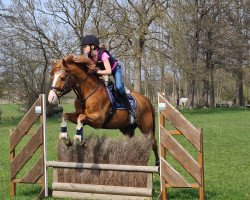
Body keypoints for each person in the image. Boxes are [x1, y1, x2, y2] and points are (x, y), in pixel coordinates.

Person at [73, 35, 136, 124]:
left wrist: (97, 72)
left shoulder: (103, 54)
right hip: (103, 71)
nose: (83, 49)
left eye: (85, 46)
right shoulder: (90, 57)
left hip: (115, 69)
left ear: (92, 46)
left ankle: (131, 111)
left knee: (118, 87)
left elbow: (109, 71)